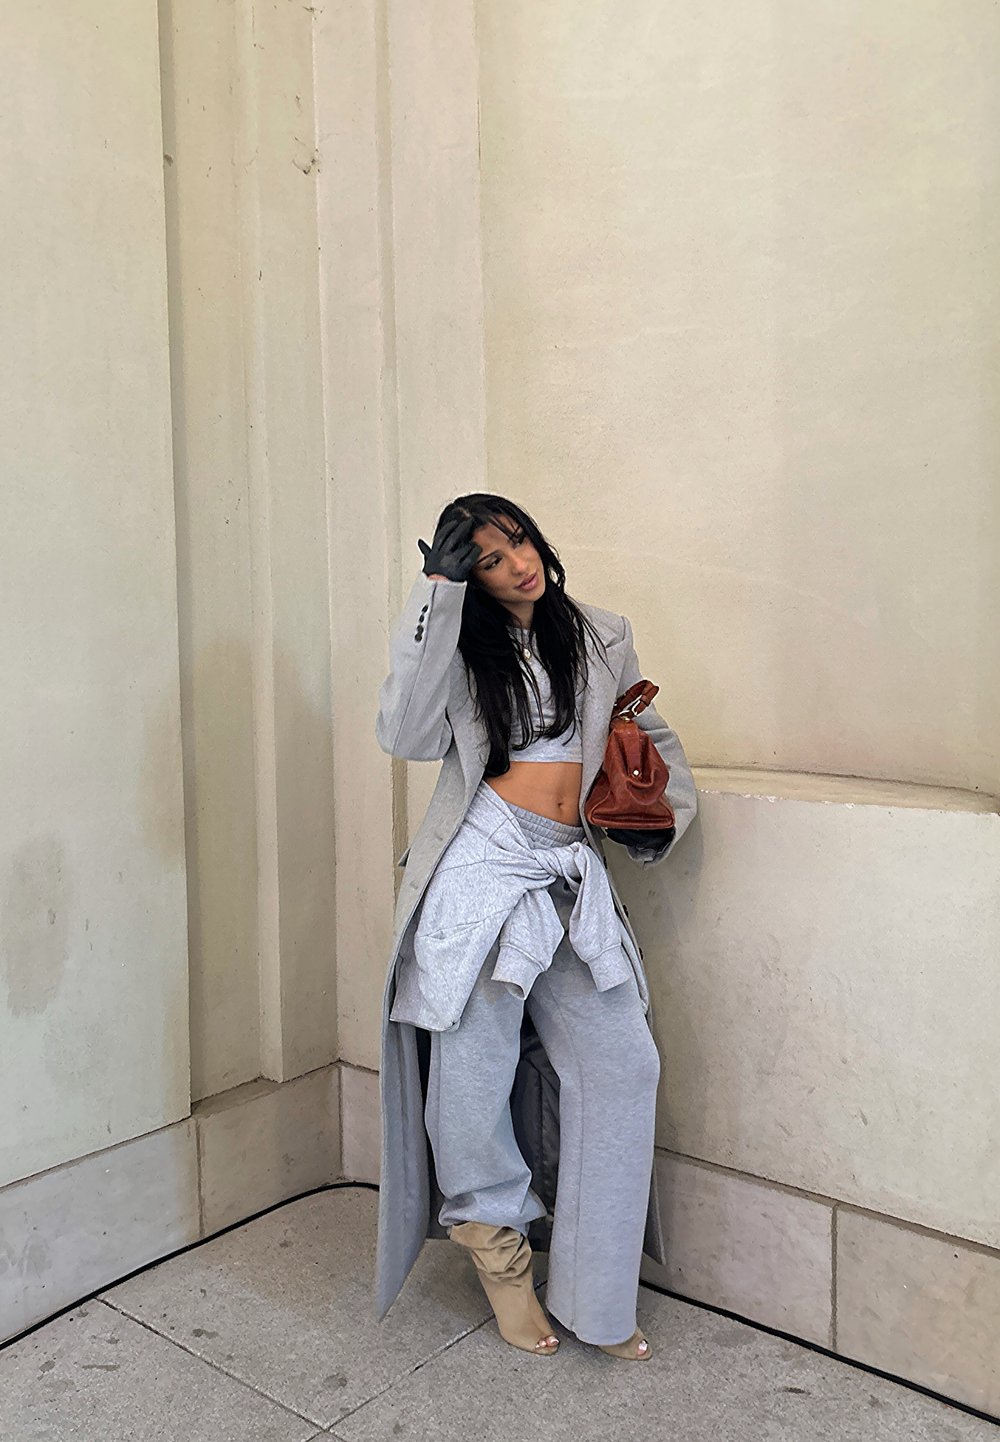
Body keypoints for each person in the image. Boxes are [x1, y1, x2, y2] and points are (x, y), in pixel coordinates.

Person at [373, 494, 697, 1361]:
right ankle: (501, 1255)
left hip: (568, 867)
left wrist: (663, 816)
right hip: (483, 863)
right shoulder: (460, 640)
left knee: (623, 1066)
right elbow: (401, 734)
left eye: (516, 540)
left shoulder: (600, 632)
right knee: (471, 1078)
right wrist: (436, 591)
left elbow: (644, 732)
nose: (515, 562)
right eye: (486, 558)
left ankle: (596, 1291)